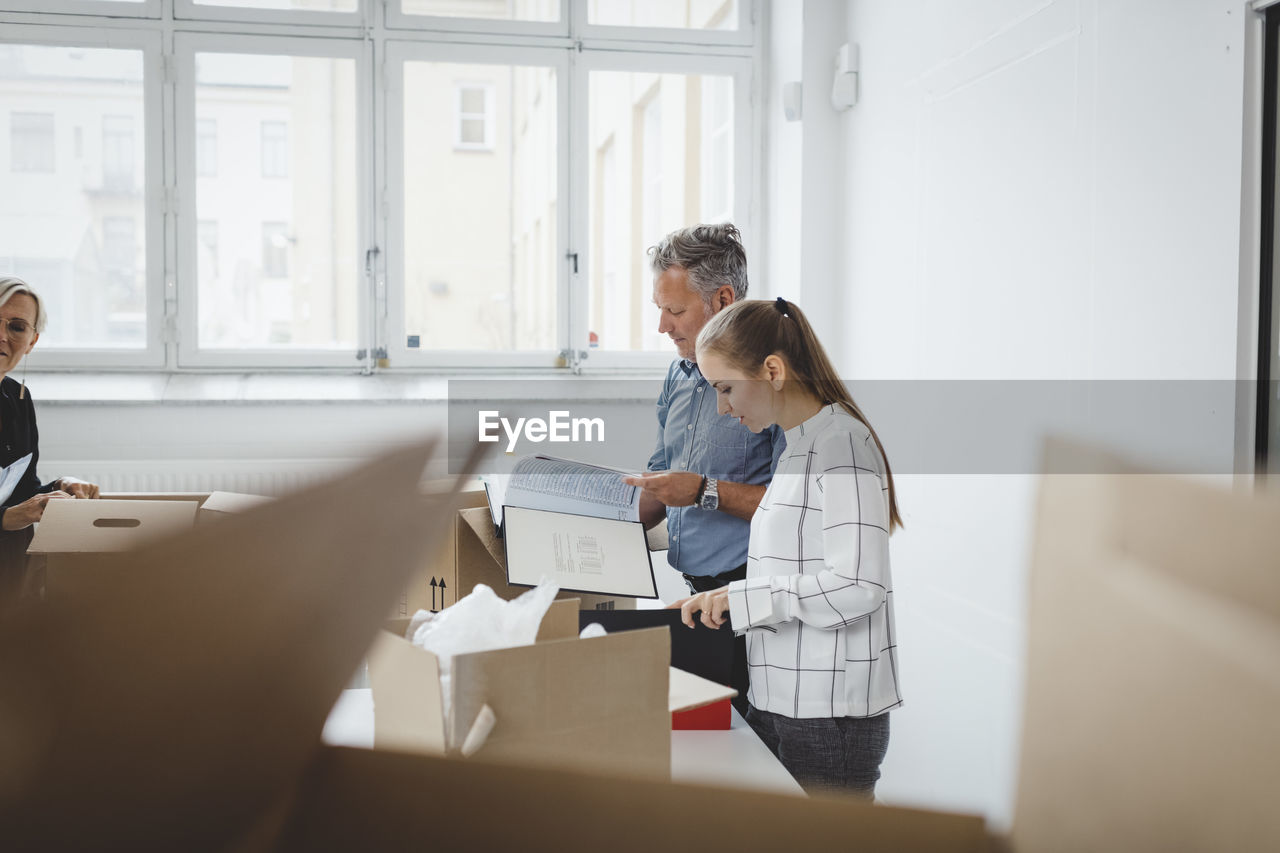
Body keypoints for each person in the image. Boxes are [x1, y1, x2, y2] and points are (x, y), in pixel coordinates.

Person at [678, 296, 903, 799]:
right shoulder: (798, 445)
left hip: (828, 717)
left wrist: (744, 600)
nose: (723, 407)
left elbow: (860, 585)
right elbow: (792, 568)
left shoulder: (841, 444)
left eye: (727, 388)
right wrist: (718, 599)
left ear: (773, 371)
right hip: (783, 700)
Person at [621, 224, 785, 716]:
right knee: (709, 752)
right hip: (697, 603)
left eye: (675, 312)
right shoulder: (678, 373)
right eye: (659, 311)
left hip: (755, 598)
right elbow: (659, 484)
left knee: (761, 753)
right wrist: (580, 519)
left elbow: (795, 512)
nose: (663, 328)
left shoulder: (771, 381)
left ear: (723, 299)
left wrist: (702, 492)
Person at [0, 277, 100, 598]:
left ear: (31, 341)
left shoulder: (19, 397)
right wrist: (6, 518)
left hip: (13, 572)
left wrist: (58, 488)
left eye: (17, 327)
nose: (2, 335)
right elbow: (10, 511)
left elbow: (20, 489)